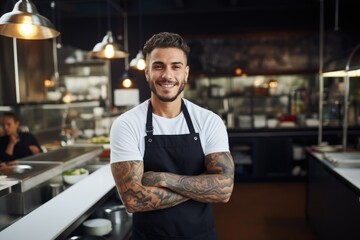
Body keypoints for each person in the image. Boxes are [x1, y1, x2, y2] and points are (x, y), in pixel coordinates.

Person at [110, 32, 234, 240]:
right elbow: (133, 200)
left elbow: (223, 190)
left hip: (201, 235)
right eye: (158, 66)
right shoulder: (127, 124)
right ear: (147, 73)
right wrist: (201, 187)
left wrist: (162, 178)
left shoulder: (208, 121)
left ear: (186, 73)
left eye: (175, 66)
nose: (167, 75)